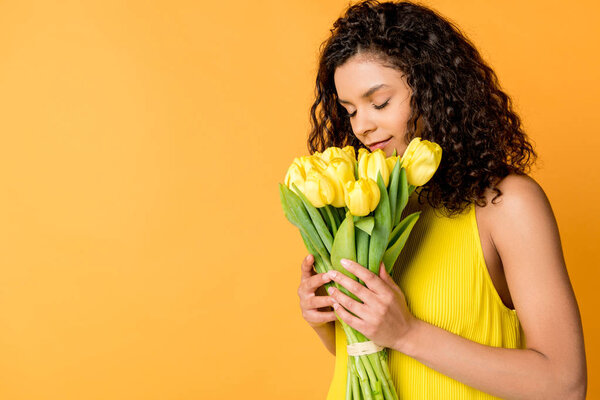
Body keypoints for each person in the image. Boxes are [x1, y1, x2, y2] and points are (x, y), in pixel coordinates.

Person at [296, 1, 587, 399]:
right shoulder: (366, 204)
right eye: (349, 110)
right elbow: (368, 358)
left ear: (434, 89)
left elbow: (564, 385)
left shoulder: (506, 204)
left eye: (379, 103)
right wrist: (329, 319)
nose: (362, 126)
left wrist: (408, 332)